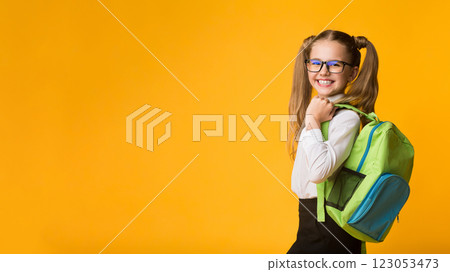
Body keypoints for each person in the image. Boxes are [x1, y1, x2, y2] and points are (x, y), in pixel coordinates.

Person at [286, 30, 379, 254]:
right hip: (311, 220)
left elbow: (318, 173)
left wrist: (312, 121)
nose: (323, 71)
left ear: (352, 72)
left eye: (335, 64)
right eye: (316, 63)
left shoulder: (345, 116)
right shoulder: (320, 111)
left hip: (329, 227)